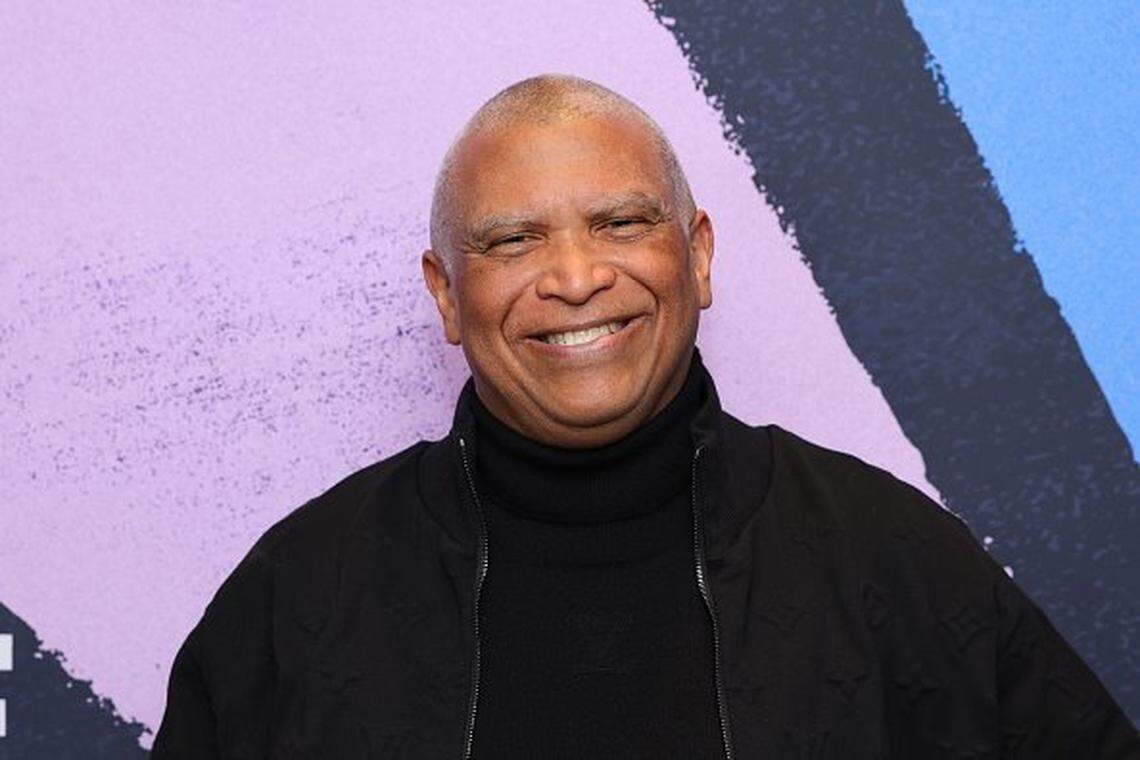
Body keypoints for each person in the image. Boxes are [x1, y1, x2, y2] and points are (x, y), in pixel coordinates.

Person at [152, 74, 1138, 758]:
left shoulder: (889, 555)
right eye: (512, 241)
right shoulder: (303, 591)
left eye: (622, 222)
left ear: (698, 256)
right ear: (446, 296)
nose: (578, 278)